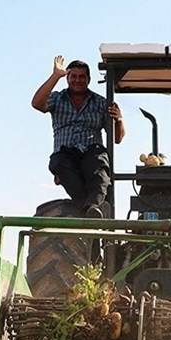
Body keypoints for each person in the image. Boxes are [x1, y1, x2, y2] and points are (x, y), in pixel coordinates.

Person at [31, 55, 125, 218]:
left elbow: (117, 138)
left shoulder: (101, 103)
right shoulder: (57, 98)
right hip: (66, 153)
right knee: (58, 163)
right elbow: (37, 104)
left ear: (88, 79)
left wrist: (119, 119)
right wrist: (55, 76)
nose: (77, 80)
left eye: (82, 77)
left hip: (91, 150)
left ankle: (92, 208)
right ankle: (90, 211)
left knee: (100, 173)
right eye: (73, 76)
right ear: (67, 78)